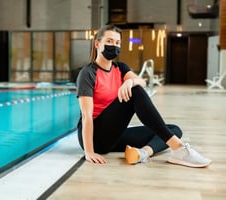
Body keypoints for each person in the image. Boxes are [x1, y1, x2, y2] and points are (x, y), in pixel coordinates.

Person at [76, 24, 211, 168]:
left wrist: (130, 82)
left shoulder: (120, 68)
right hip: (95, 137)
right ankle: (179, 148)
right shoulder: (88, 73)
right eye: (109, 41)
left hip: (114, 135)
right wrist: (89, 151)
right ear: (97, 44)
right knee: (136, 92)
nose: (113, 46)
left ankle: (143, 153)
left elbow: (142, 82)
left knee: (174, 130)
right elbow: (86, 116)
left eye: (117, 43)